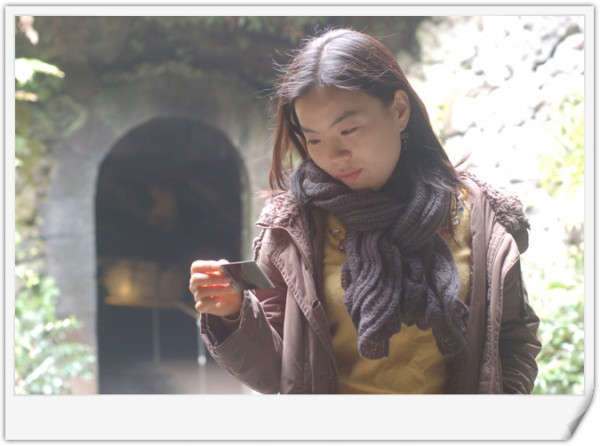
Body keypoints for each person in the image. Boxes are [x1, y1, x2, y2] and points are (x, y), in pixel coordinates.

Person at [189, 28, 541, 394]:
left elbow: (514, 339)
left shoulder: (479, 214)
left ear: (399, 110)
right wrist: (234, 312)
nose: (333, 156)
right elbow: (275, 371)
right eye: (314, 139)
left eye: (348, 130)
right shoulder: (294, 227)